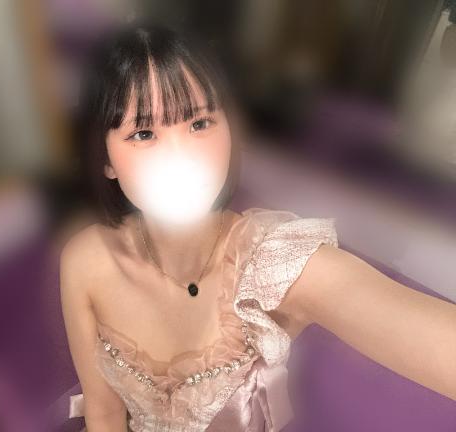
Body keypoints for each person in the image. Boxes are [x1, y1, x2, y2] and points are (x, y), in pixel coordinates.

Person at [59, 23, 456, 432]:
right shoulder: (86, 263)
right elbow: (104, 414)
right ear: (105, 160)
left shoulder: (272, 265)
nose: (180, 157)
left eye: (199, 123)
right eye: (143, 133)